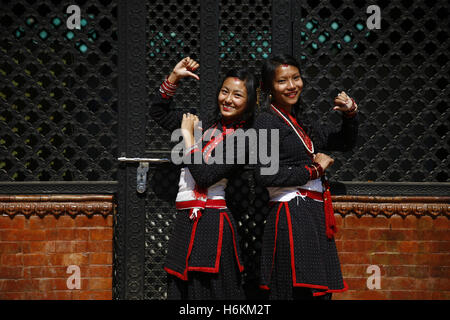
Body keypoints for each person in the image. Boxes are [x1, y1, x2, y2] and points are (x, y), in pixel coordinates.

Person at [149, 57, 258, 299]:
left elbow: (205, 176)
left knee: (210, 291)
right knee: (181, 289)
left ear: (249, 102)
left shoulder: (246, 139)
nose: (228, 99)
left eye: (237, 95)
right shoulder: (204, 124)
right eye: (224, 91)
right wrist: (174, 77)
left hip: (214, 221)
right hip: (185, 220)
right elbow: (158, 112)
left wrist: (188, 139)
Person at [254, 54, 359, 299]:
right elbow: (264, 174)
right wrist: (314, 171)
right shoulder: (265, 122)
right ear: (269, 87)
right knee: (298, 291)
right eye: (282, 81)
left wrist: (350, 115)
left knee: (320, 293)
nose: (291, 86)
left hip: (313, 213)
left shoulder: (301, 121)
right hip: (291, 213)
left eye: (296, 78)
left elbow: (343, 142)